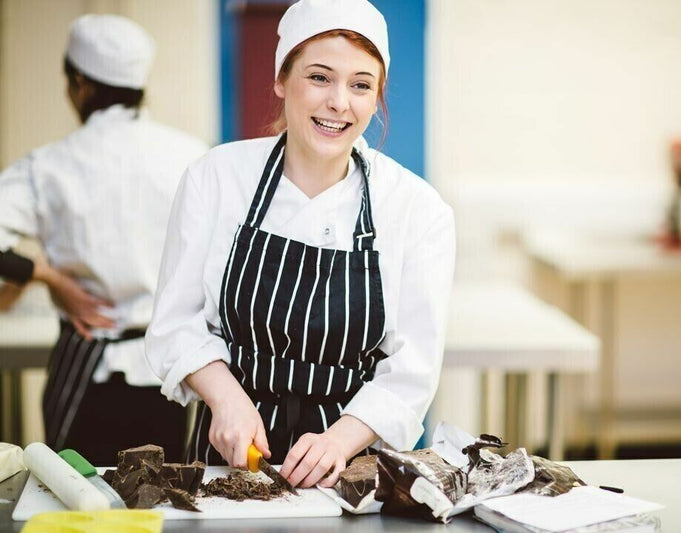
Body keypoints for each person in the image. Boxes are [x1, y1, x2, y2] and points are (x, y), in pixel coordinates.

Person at [145, 0, 455, 488]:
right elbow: (175, 324)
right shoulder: (217, 178)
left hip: (352, 470)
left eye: (360, 85)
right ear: (280, 80)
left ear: (377, 98)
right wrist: (226, 398)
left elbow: (411, 371)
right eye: (318, 77)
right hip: (229, 457)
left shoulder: (417, 209)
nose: (339, 102)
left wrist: (338, 440)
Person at [0, 14, 208, 463]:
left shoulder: (50, 164)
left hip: (87, 367)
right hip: (169, 375)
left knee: (75, 500)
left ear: (79, 83)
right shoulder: (192, 156)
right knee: (163, 508)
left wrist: (46, 276)